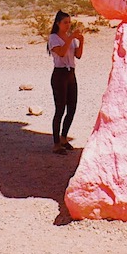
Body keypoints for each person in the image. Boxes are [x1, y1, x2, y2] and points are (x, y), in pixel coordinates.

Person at [47, 10, 84, 154]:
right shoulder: (54, 38)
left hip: (70, 74)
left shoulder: (70, 38)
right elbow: (61, 52)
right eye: (65, 23)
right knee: (60, 109)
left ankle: (64, 137)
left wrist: (81, 41)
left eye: (69, 22)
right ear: (58, 24)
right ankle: (56, 143)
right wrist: (70, 38)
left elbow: (78, 55)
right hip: (59, 75)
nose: (68, 25)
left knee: (72, 108)